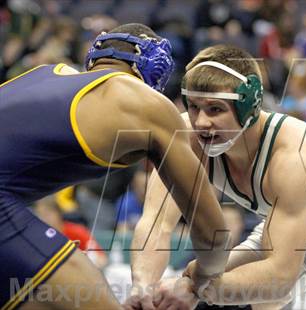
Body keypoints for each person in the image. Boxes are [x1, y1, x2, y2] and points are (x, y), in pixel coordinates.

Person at [131, 45, 306, 309]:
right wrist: (142, 289)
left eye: (215, 109)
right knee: (206, 277)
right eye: (193, 107)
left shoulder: (295, 154)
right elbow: (156, 224)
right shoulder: (185, 139)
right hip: (285, 229)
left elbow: (280, 279)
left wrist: (198, 288)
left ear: (248, 107)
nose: (202, 122)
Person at [0, 23, 230, 310]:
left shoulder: (40, 74)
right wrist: (198, 282)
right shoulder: (144, 102)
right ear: (154, 70)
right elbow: (212, 230)